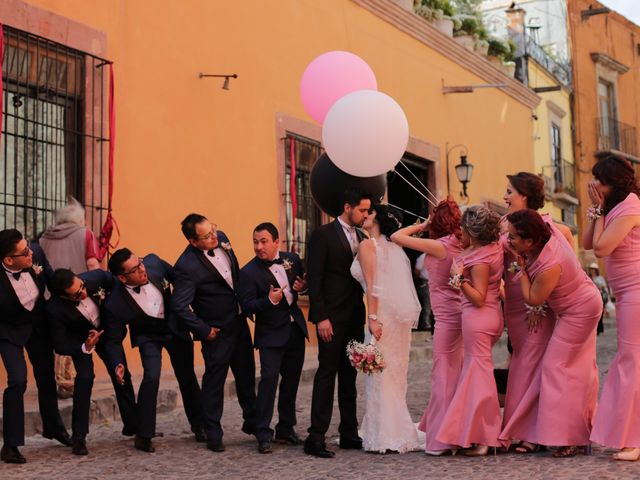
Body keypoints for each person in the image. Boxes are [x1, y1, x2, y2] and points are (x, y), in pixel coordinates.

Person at [506, 208, 601, 457]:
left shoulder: (550, 263)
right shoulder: (544, 230)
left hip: (580, 310)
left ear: (529, 241)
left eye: (514, 237)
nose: (510, 240)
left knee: (554, 367)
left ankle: (566, 437)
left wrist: (521, 268)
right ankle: (577, 433)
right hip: (575, 306)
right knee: (573, 370)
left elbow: (533, 297)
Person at [499, 172, 574, 453]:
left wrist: (539, 305)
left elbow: (563, 270)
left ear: (525, 197)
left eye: (509, 192)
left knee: (534, 365)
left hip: (538, 308)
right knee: (521, 362)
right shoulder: (503, 226)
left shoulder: (554, 229)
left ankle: (532, 431)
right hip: (516, 308)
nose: (505, 197)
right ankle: (524, 428)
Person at [104, 249, 205, 453]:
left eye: (139, 262)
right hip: (148, 336)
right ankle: (144, 434)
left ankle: (200, 425)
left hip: (175, 329)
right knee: (151, 377)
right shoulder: (114, 303)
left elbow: (181, 278)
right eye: (135, 269)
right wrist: (117, 364)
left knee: (187, 376)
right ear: (122, 277)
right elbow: (113, 340)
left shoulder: (155, 264)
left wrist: (181, 302)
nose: (142, 269)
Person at [172, 214, 257, 453]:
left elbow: (235, 276)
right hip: (216, 332)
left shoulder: (223, 239)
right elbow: (179, 305)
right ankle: (213, 432)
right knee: (214, 382)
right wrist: (203, 329)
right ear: (193, 241)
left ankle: (254, 423)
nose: (214, 237)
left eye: (213, 230)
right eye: (207, 236)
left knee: (247, 375)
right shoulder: (186, 266)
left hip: (239, 322)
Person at [391, 198, 464, 455]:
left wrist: (422, 225)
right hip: (459, 315)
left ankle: (444, 437)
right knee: (455, 376)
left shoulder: (438, 246)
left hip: (446, 319)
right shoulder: (461, 244)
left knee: (442, 376)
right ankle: (454, 430)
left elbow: (397, 236)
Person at [304, 190, 371, 458]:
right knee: (326, 375)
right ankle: (316, 437)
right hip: (330, 319)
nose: (366, 215)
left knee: (349, 375)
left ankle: (348, 433)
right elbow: (315, 279)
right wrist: (321, 317)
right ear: (347, 207)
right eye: (363, 210)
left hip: (355, 317)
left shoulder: (363, 237)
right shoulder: (322, 235)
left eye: (368, 211)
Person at [351, 204, 421, 453]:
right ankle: (395, 431)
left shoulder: (368, 245)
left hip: (380, 316)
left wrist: (372, 317)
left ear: (377, 219)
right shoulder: (395, 246)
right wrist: (424, 225)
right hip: (395, 319)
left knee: (380, 374)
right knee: (392, 374)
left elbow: (373, 286)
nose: (364, 216)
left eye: (369, 213)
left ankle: (383, 435)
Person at [435, 205, 504, 456]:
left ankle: (485, 437)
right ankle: (475, 433)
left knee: (480, 379)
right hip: (486, 318)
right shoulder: (491, 248)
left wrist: (459, 279)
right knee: (475, 377)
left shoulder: (480, 259)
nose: (459, 232)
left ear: (471, 231)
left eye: (462, 228)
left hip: (479, 319)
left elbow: (479, 297)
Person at [47, 268, 138, 455]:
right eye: (77, 294)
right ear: (64, 297)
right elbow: (60, 344)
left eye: (81, 286)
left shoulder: (97, 278)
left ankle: (133, 425)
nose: (84, 292)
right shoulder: (54, 309)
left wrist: (116, 315)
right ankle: (79, 437)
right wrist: (85, 346)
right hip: (81, 341)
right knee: (85, 379)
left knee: (120, 372)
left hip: (106, 332)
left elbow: (117, 283)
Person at [585, 155, 640, 461]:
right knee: (629, 361)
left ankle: (634, 439)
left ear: (613, 182)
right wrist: (597, 208)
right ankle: (627, 435)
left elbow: (604, 248)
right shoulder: (614, 208)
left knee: (632, 362)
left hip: (636, 291)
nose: (594, 185)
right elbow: (589, 242)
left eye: (599, 180)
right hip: (626, 293)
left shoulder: (631, 205)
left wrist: (599, 208)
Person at [0, 229, 70, 464]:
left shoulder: (36, 253)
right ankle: (10, 445)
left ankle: (54, 428)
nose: (31, 253)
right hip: (8, 331)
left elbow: (52, 281)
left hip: (38, 325)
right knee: (18, 381)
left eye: (29, 247)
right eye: (24, 252)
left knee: (46, 376)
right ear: (9, 260)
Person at [239, 223, 308, 454]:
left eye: (264, 241)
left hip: (295, 330)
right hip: (269, 335)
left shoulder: (292, 259)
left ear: (277, 242)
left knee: (291, 382)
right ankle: (262, 432)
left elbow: (300, 286)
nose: (259, 247)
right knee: (268, 381)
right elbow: (247, 305)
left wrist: (303, 287)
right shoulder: (248, 272)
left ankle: (286, 428)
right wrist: (269, 302)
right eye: (255, 241)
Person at [39, 198, 103, 399]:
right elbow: (93, 265)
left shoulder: (43, 239)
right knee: (76, 335)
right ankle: (70, 382)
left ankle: (63, 382)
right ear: (79, 219)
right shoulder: (85, 234)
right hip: (77, 293)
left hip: (52, 296)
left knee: (59, 339)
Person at [587, 262, 609, 335]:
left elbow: (604, 287)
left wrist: (598, 285)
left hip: (600, 296)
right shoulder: (588, 277)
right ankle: (593, 329)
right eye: (591, 269)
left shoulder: (600, 278)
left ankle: (598, 329)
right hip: (590, 297)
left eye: (593, 269)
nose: (592, 271)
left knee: (599, 314)